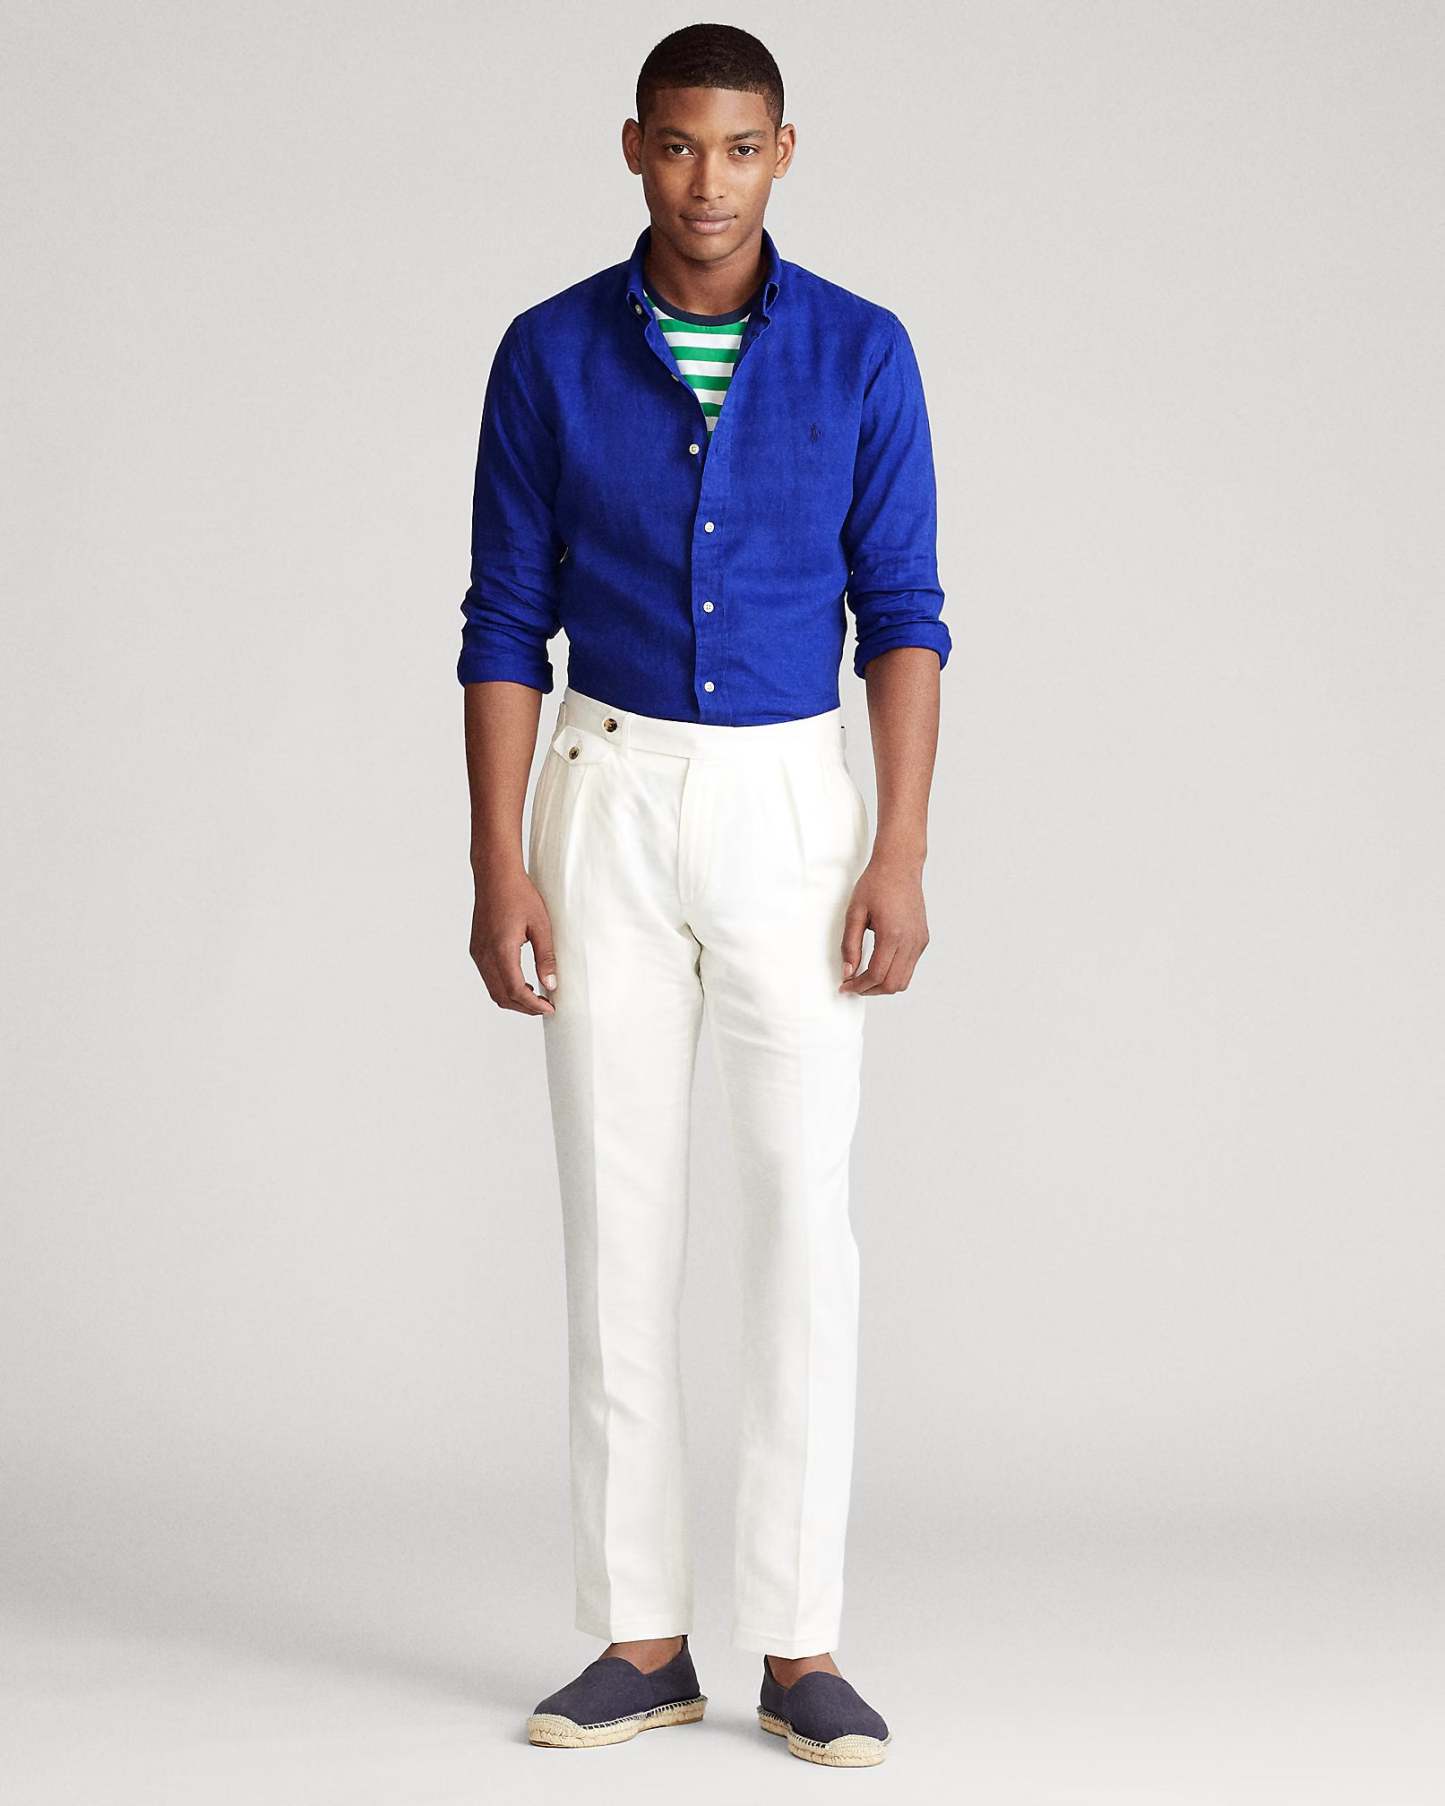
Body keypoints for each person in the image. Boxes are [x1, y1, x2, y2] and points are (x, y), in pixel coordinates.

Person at [458, 23, 949, 1769]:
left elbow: (903, 612)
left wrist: (897, 846)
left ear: (782, 153)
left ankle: (797, 1643)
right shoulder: (547, 351)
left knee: (802, 1218)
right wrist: (496, 856)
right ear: (632, 148)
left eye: (739, 148)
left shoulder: (862, 351)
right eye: (677, 146)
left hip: (791, 805)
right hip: (601, 791)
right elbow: (502, 617)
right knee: (617, 1216)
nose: (706, 182)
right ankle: (639, 1636)